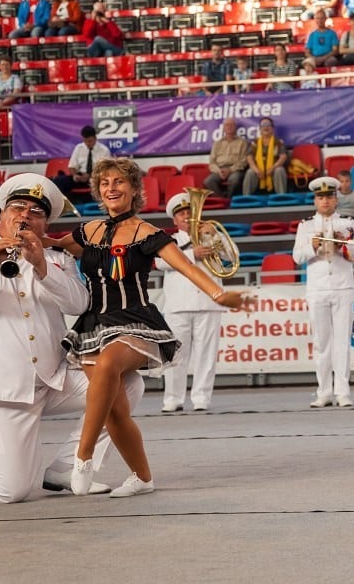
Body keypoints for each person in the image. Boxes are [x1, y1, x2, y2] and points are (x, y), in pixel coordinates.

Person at [0, 173, 144, 503]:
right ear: (1, 216)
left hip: (52, 380)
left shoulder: (58, 260)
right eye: (18, 207)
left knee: (126, 383)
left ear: (45, 226)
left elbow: (79, 302)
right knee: (10, 490)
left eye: (36, 212)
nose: (26, 215)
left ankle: (65, 469)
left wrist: (41, 266)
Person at [50, 158, 248, 497]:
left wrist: (218, 294)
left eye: (119, 182)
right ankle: (142, 478)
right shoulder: (89, 231)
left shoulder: (149, 234)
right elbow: (51, 245)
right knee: (114, 410)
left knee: (111, 363)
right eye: (105, 183)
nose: (112, 188)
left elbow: (186, 266)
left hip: (135, 321)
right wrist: (15, 234)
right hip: (91, 324)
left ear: (134, 190)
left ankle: (81, 459)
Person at [158, 192, 235, 413]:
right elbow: (158, 262)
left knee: (206, 354)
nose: (186, 216)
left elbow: (232, 256)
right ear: (175, 220)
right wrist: (193, 254)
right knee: (175, 355)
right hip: (179, 304)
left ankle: (201, 398)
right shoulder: (169, 240)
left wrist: (216, 235)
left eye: (189, 212)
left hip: (209, 302)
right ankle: (173, 398)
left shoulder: (211, 234)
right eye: (181, 214)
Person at [293, 177, 354, 408]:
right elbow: (297, 257)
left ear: (336, 198)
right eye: (321, 197)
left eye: (329, 196)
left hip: (342, 286)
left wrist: (344, 244)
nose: (325, 201)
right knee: (321, 341)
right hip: (318, 287)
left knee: (342, 341)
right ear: (315, 200)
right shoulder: (305, 225)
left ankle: (343, 391)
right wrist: (311, 246)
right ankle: (323, 391)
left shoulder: (348, 222)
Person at [54, 125, 112, 197]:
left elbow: (105, 170)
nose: (87, 143)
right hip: (80, 177)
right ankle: (64, 204)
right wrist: (75, 175)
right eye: (85, 141)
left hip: (95, 178)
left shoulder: (104, 150)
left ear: (95, 138)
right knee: (59, 180)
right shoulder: (79, 148)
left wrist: (90, 176)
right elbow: (72, 166)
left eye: (90, 141)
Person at [242, 117, 288, 195]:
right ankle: (246, 198)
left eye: (268, 125)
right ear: (260, 129)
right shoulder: (255, 143)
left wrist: (272, 168)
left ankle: (281, 196)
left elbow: (283, 157)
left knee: (279, 170)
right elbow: (249, 158)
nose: (266, 127)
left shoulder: (278, 142)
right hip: (259, 171)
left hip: (273, 170)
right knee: (250, 172)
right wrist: (256, 170)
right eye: (263, 125)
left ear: (272, 128)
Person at [204, 118, 248, 197]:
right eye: (227, 125)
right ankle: (222, 199)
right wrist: (219, 171)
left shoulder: (242, 143)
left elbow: (244, 161)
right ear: (223, 127)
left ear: (235, 127)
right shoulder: (217, 143)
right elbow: (212, 163)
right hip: (219, 170)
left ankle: (229, 199)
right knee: (208, 181)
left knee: (234, 180)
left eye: (232, 125)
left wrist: (230, 170)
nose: (229, 127)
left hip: (235, 170)